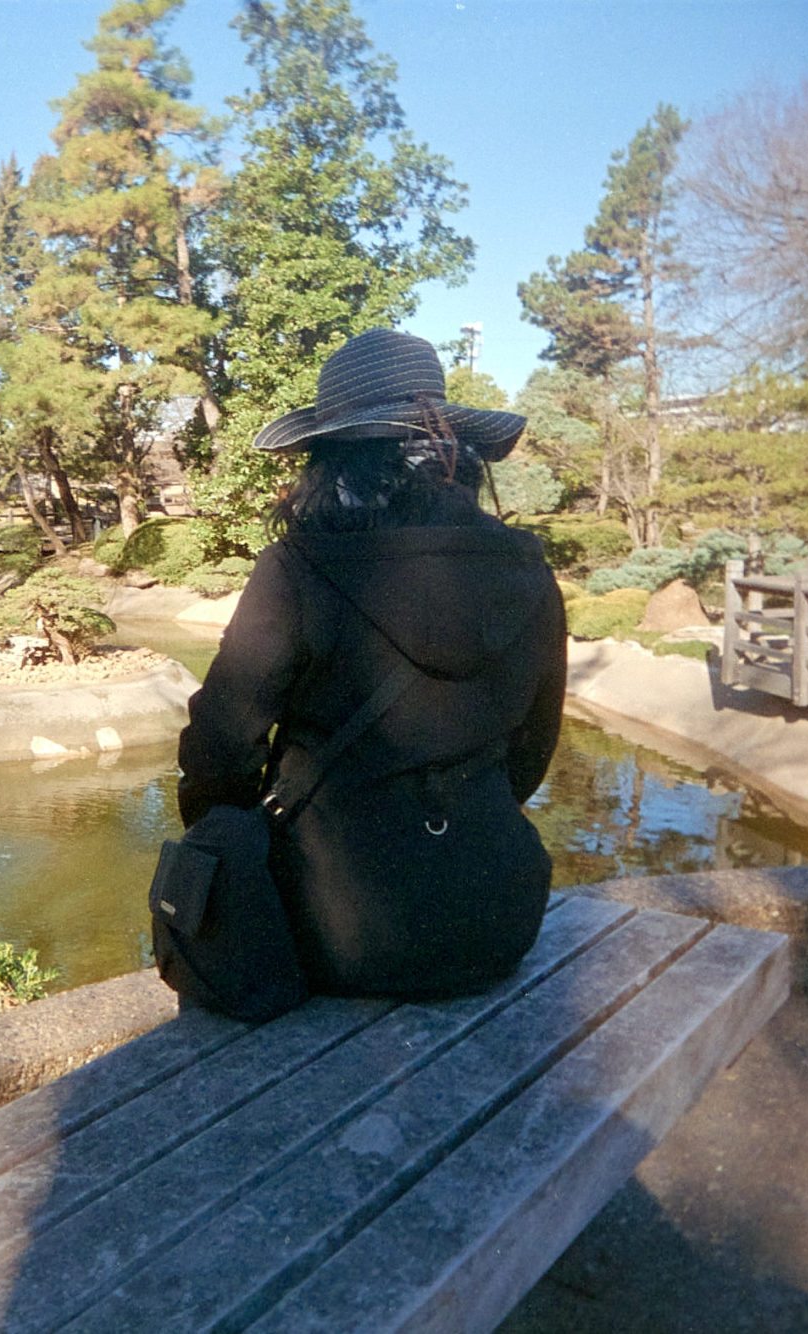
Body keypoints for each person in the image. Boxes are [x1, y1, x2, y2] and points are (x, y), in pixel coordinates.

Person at [177, 329, 567, 998]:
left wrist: (232, 838)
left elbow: (219, 750)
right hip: (497, 918)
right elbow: (530, 756)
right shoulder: (528, 570)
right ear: (452, 454)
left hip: (333, 931)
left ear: (327, 457)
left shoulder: (297, 567)